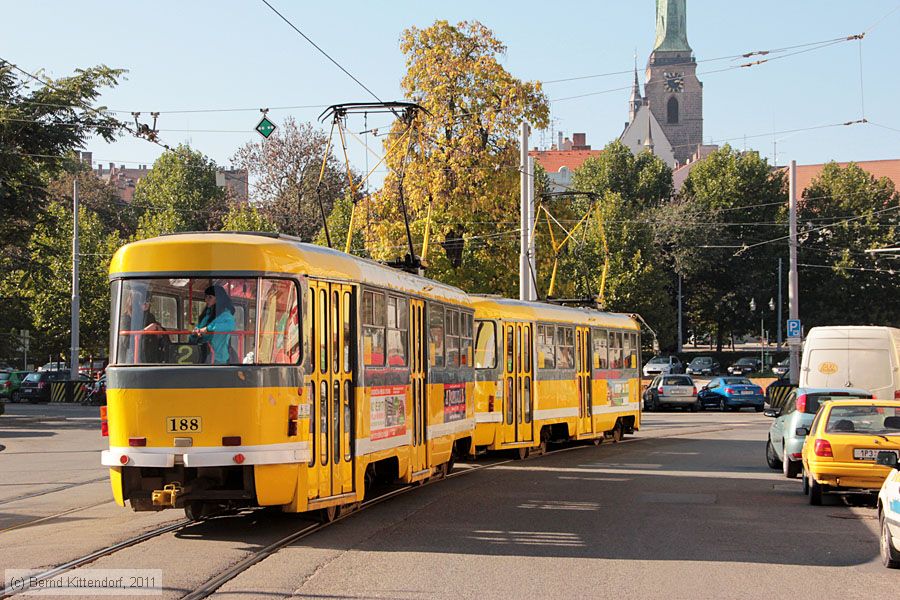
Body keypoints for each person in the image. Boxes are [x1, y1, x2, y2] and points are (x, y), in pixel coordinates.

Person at [192, 285, 236, 365]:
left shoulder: (225, 315)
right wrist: (196, 332)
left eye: (210, 297)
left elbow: (230, 325)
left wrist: (208, 329)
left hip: (218, 357)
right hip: (204, 354)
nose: (206, 300)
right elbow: (200, 328)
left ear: (218, 299)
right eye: (206, 297)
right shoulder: (207, 315)